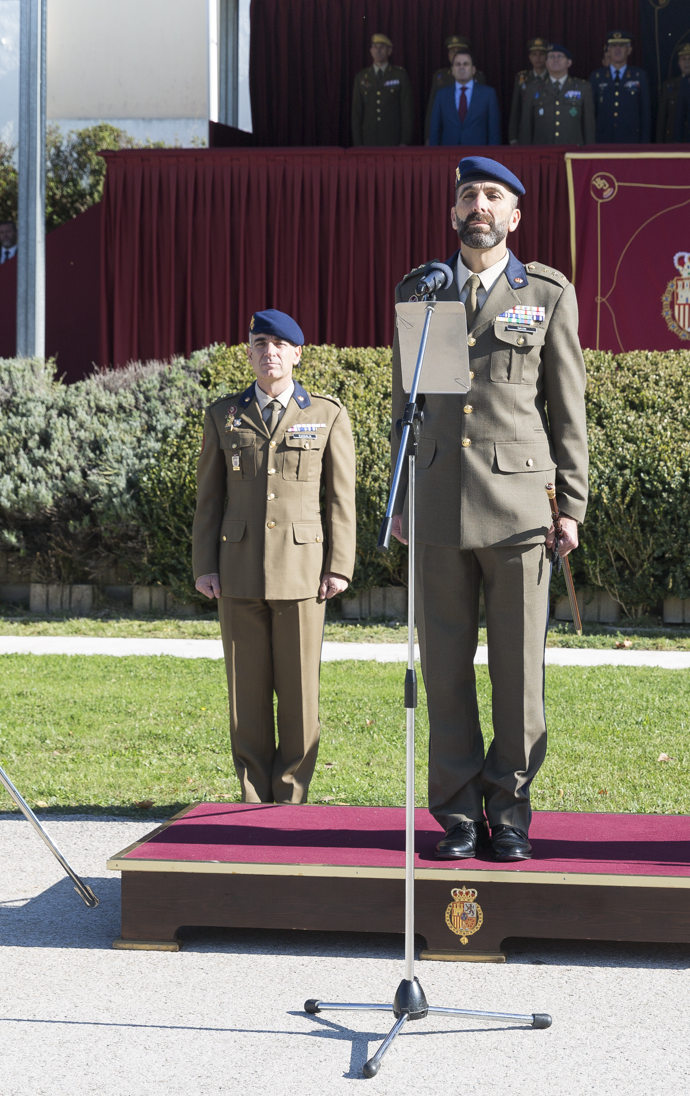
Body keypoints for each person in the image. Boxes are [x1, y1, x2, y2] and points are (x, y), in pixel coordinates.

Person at [390, 156, 588, 862]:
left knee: (517, 670)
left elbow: (567, 409)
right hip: (439, 503)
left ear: (515, 216)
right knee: (445, 668)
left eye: (493, 195)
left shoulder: (544, 293)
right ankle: (457, 815)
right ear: (454, 213)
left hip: (519, 509)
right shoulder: (426, 290)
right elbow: (406, 407)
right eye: (469, 194)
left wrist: (573, 503)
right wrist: (402, 496)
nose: (480, 204)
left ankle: (508, 811)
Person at [192, 310, 356, 805]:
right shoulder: (224, 414)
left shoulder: (326, 414)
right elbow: (210, 498)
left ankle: (290, 796)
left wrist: (339, 565)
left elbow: (340, 498)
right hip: (238, 570)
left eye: (281, 344)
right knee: (246, 694)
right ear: (249, 352)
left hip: (304, 572)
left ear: (297, 353)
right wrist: (204, 565)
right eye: (261, 342)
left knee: (300, 693)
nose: (270, 352)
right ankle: (251, 795)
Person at [518, 44, 595, 146]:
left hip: (573, 150)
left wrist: (588, 152)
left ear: (569, 62)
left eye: (560, 56)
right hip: (542, 152)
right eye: (551, 57)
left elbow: (588, 125)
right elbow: (526, 125)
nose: (555, 60)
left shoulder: (583, 87)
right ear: (546, 62)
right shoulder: (533, 88)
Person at [351, 33, 415, 148]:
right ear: (371, 51)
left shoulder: (399, 75)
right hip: (368, 138)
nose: (378, 51)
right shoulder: (361, 77)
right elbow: (356, 113)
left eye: (382, 47)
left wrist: (405, 140)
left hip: (392, 138)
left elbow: (406, 110)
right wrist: (358, 143)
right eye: (375, 47)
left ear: (389, 51)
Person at [589, 30, 651, 143]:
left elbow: (645, 113)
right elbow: (591, 113)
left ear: (629, 50)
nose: (617, 50)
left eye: (622, 46)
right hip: (603, 139)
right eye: (613, 46)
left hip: (631, 139)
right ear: (608, 50)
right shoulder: (597, 77)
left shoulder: (639, 76)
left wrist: (644, 142)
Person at [428, 51, 500, 147]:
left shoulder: (488, 94)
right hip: (448, 154)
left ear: (473, 70)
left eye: (466, 64)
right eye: (458, 64)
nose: (461, 67)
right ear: (452, 70)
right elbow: (435, 129)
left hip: (478, 155)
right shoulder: (442, 95)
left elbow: (494, 131)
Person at [426, 36, 486, 135]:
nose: (455, 54)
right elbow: (432, 109)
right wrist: (429, 136)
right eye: (452, 51)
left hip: (472, 133)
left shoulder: (478, 77)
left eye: (459, 51)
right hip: (445, 133)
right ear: (448, 55)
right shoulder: (440, 77)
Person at [506, 37, 550, 145]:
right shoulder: (522, 77)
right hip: (526, 131)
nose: (538, 58)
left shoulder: (553, 77)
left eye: (541, 54)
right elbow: (516, 109)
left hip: (548, 130)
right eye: (534, 54)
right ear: (530, 57)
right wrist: (513, 137)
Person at [655, 42, 690, 144]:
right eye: (684, 59)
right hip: (673, 140)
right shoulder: (669, 85)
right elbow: (662, 119)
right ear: (679, 62)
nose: (687, 62)